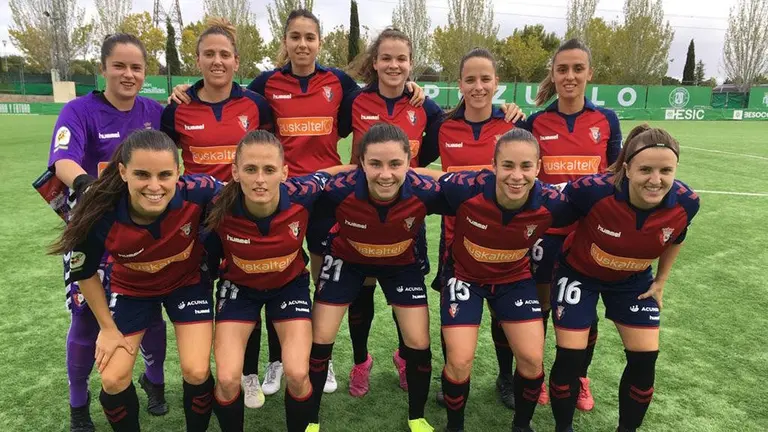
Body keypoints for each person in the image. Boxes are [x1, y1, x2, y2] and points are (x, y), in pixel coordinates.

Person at [169, 9, 426, 398]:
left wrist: (412, 89)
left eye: (310, 37)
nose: (303, 44)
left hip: (322, 198)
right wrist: (186, 89)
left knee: (318, 281)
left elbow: (365, 111)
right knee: (251, 276)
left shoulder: (338, 83)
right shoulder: (264, 87)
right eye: (295, 37)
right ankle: (264, 366)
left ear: (319, 42)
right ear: (285, 42)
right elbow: (233, 99)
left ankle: (319, 356)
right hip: (268, 197)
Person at [337, 31, 525, 397]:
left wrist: (509, 111)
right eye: (386, 58)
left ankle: (407, 358)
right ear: (374, 62)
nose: (393, 65)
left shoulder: (428, 111)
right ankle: (361, 362)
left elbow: (452, 143)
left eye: (401, 59)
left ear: (411, 65)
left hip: (408, 215)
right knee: (362, 291)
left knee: (402, 295)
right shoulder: (354, 101)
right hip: (359, 210)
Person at [49, 130, 222, 432]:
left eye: (165, 174)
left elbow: (245, 196)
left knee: (196, 370)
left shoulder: (200, 191)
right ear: (123, 171)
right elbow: (84, 272)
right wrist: (107, 328)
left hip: (187, 283)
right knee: (113, 379)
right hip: (133, 289)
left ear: (179, 173)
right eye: (142, 174)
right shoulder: (100, 209)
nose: (154, 186)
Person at [40, 33, 169, 432]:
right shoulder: (79, 111)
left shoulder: (155, 111)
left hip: (145, 236)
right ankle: (78, 403)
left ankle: (156, 382)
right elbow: (62, 160)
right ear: (103, 68)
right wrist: (90, 190)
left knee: (150, 314)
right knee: (85, 319)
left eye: (136, 67)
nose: (128, 74)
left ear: (145, 72)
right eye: (120, 66)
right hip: (96, 231)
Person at [415, 129, 578, 432]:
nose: (517, 176)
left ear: (538, 167)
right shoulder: (467, 188)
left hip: (514, 278)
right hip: (464, 277)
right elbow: (422, 179)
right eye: (508, 166)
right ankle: (455, 427)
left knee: (531, 359)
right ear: (493, 165)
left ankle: (521, 425)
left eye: (526, 166)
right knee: (460, 361)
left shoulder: (554, 202)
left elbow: (596, 208)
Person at [548, 125, 700, 432]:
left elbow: (677, 236)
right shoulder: (592, 190)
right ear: (627, 168)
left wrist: (661, 281)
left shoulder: (687, 202)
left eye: (665, 170)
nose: (655, 180)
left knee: (645, 359)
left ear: (676, 170)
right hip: (579, 274)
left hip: (633, 280)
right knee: (570, 358)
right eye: (645, 169)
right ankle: (563, 428)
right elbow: (546, 205)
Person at [204, 130, 354, 431]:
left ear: (284, 172)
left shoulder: (302, 193)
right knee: (228, 379)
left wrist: (369, 168)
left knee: (298, 374)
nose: (260, 179)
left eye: (269, 170)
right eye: (250, 169)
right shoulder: (217, 204)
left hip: (289, 287)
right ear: (235, 172)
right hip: (239, 290)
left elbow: (331, 173)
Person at [161, 17, 273, 409]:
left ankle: (249, 375)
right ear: (197, 59)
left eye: (224, 54)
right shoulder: (177, 108)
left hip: (245, 216)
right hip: (197, 221)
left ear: (237, 61)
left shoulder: (256, 105)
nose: (217, 61)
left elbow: (269, 154)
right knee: (198, 295)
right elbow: (166, 162)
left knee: (247, 292)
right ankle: (201, 373)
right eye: (209, 54)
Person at [308, 123, 444, 432]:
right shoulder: (338, 190)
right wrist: (319, 175)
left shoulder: (424, 190)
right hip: (348, 259)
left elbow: (455, 184)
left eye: (395, 164)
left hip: (401, 263)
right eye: (375, 164)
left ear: (409, 164)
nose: (386, 174)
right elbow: (305, 187)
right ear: (361, 164)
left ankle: (417, 417)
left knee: (419, 340)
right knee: (320, 336)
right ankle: (311, 420)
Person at [419, 47, 527, 409]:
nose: (478, 86)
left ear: (497, 83)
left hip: (505, 238)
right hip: (456, 239)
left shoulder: (514, 125)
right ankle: (449, 371)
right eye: (470, 79)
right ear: (459, 84)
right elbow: (414, 165)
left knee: (503, 311)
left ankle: (506, 376)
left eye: (485, 79)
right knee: (452, 309)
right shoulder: (444, 126)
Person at [523, 38, 622, 409]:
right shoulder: (537, 122)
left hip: (589, 235)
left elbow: (614, 175)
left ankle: (578, 377)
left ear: (589, 74)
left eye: (577, 69)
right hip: (548, 233)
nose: (570, 76)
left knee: (584, 312)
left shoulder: (606, 120)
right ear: (553, 73)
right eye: (562, 69)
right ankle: (542, 372)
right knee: (542, 307)